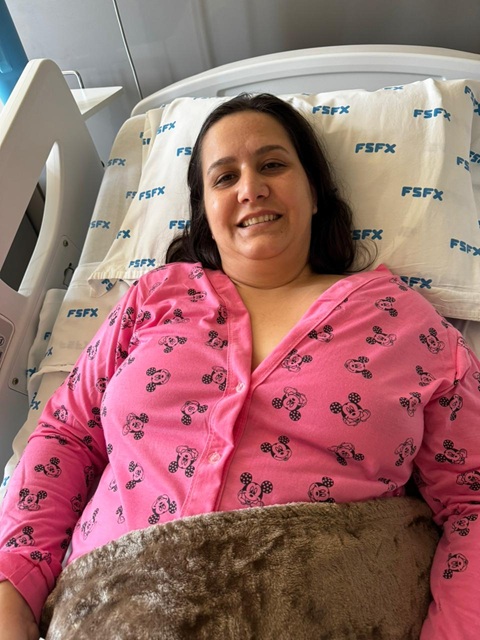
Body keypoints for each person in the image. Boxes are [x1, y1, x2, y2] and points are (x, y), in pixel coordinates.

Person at [0, 93, 479, 639]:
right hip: (114, 611)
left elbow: (472, 499)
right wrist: (12, 589)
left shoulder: (405, 322)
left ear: (314, 192)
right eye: (225, 177)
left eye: (273, 165)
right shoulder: (156, 298)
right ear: (205, 211)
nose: (251, 188)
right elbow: (66, 435)